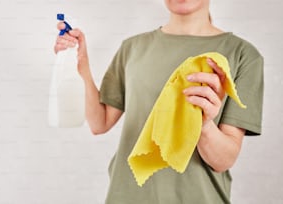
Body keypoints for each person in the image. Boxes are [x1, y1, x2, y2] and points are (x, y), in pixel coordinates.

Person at [54, 0, 264, 203]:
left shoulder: (243, 55)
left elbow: (223, 161)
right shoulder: (132, 47)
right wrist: (81, 66)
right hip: (128, 196)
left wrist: (205, 124)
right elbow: (99, 123)